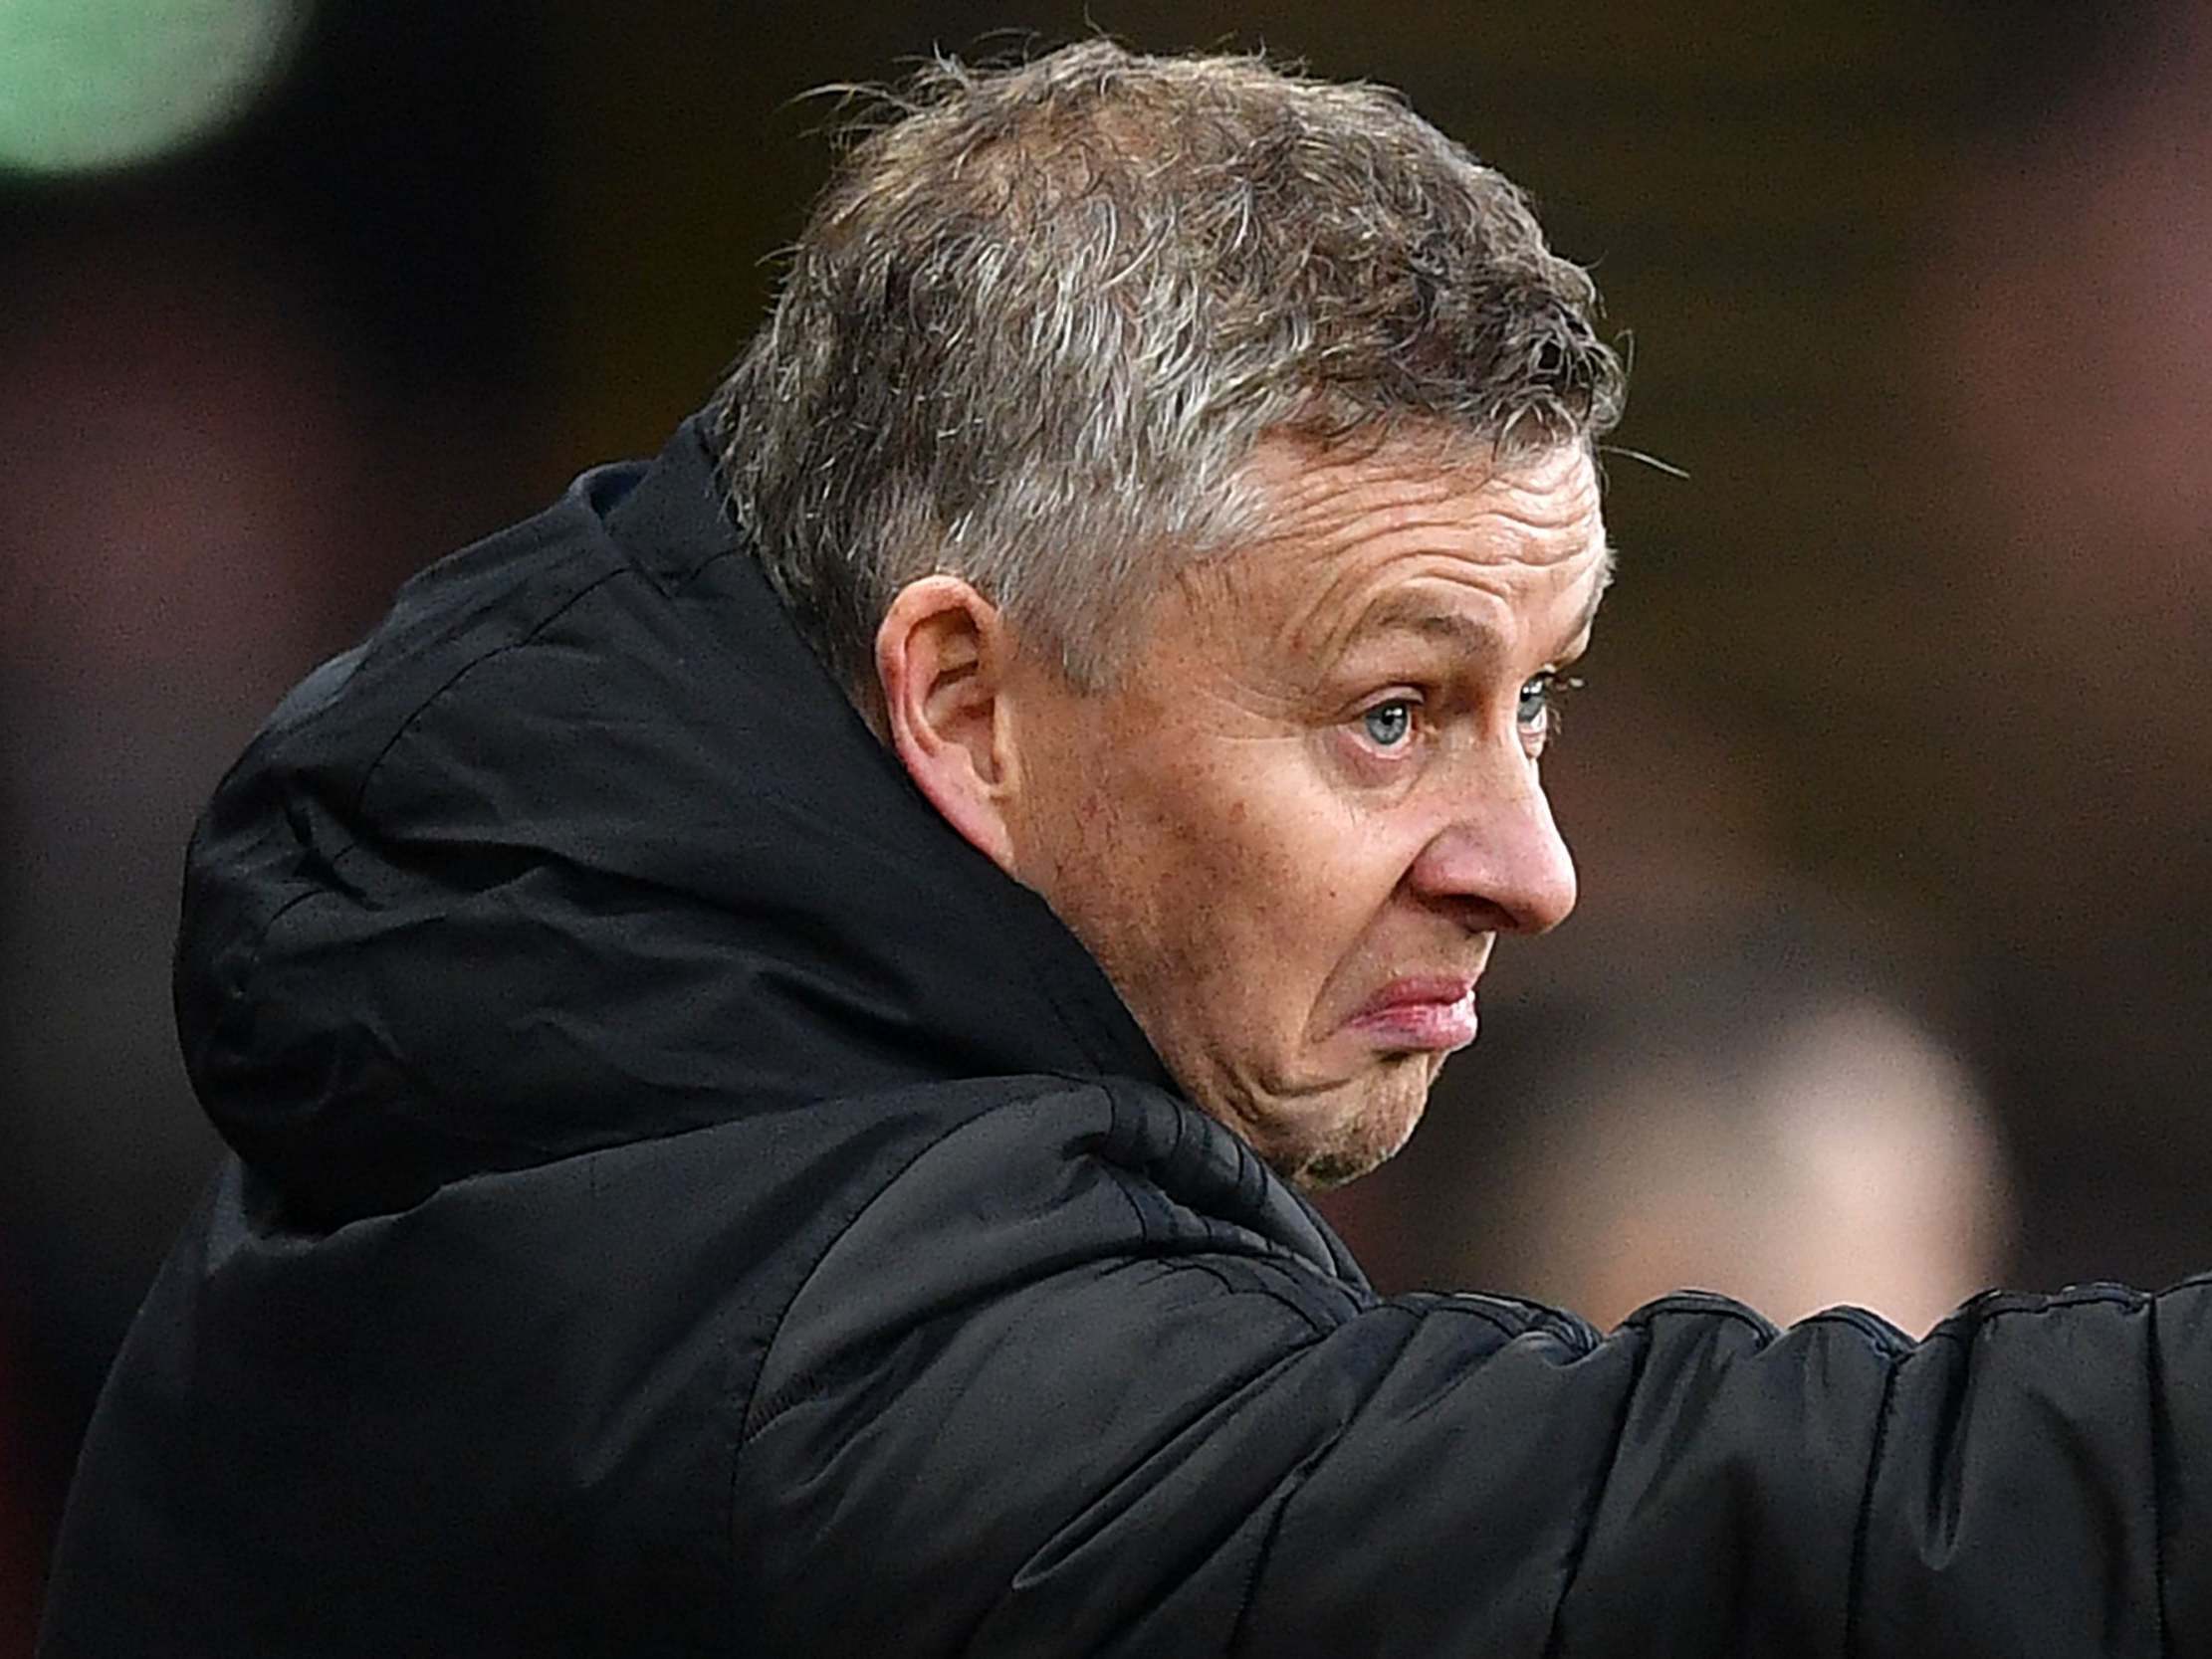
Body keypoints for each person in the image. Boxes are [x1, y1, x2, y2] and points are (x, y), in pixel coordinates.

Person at [37, 41, 2208, 1657]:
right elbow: (1684, 1540)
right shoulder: (786, 1326)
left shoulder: (620, 1054)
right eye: (1392, 712)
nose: (1528, 866)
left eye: (1532, 699)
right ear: (967, 705)